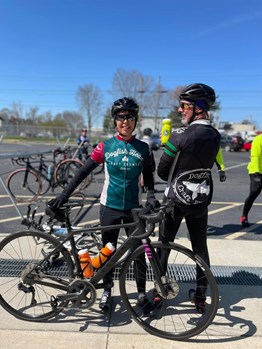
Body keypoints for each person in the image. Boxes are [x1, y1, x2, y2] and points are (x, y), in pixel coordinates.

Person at [48, 97, 159, 315]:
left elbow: (149, 177)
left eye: (129, 117)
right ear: (115, 121)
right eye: (120, 117)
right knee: (108, 251)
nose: (125, 121)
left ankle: (141, 293)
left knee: (139, 253)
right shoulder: (105, 146)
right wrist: (64, 194)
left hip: (134, 209)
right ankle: (107, 290)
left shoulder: (143, 149)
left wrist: (152, 196)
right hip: (109, 207)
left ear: (135, 120)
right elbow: (82, 171)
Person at [156, 83, 221, 313]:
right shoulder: (215, 135)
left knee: (164, 246)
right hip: (200, 201)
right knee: (200, 248)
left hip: (174, 200)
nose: (180, 110)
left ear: (199, 108)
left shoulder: (180, 134)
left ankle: (158, 293)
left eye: (184, 106)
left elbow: (162, 171)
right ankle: (201, 295)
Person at [240, 134, 262, 227]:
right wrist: (256, 173)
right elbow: (255, 156)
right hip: (256, 171)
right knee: (254, 193)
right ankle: (244, 216)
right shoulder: (258, 139)